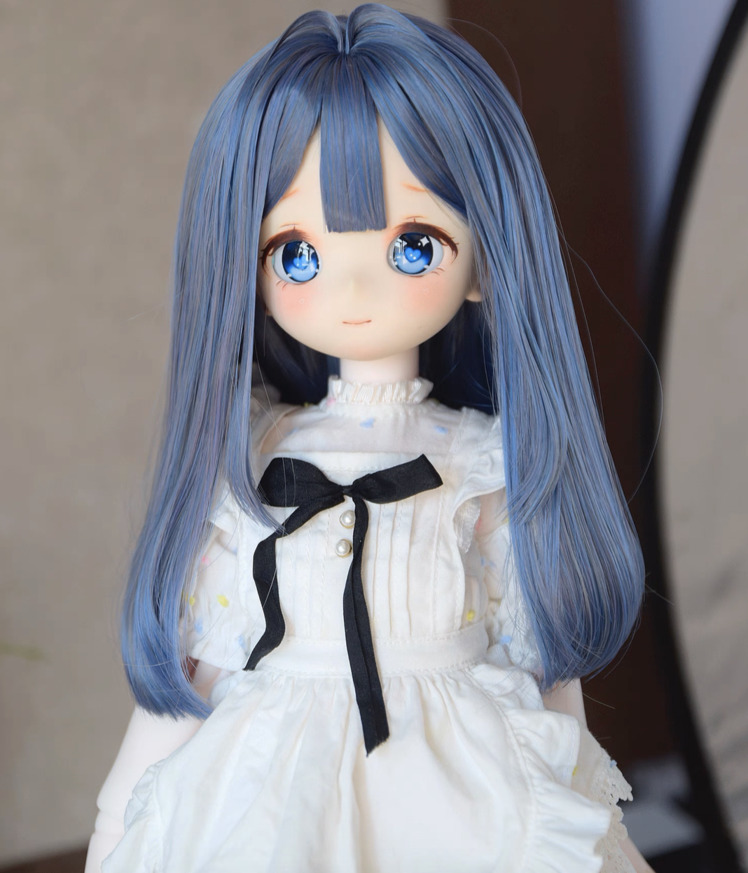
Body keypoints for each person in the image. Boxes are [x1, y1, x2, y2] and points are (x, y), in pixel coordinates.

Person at [86, 6, 654, 871]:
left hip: (462, 780)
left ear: (484, 257)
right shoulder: (255, 460)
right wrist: (116, 825)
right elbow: (198, 672)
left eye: (413, 246)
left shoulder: (480, 462)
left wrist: (584, 811)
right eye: (298, 254)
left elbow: (543, 667)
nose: (353, 289)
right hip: (277, 781)